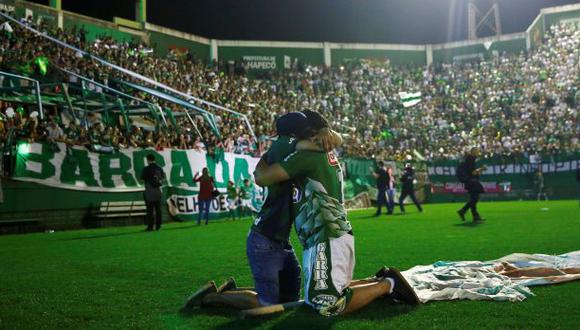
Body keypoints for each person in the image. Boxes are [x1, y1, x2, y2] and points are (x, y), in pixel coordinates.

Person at [253, 111, 419, 316]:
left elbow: (263, 177)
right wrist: (326, 132)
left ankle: (388, 284)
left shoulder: (306, 156)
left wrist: (264, 159)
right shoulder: (318, 150)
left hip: (325, 237)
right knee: (319, 295)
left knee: (325, 304)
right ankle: (375, 282)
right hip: (329, 236)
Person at [183, 112, 308, 310]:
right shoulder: (288, 143)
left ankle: (231, 291)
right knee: (267, 303)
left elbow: (259, 172)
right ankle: (210, 298)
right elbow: (307, 148)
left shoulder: (280, 145)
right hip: (266, 238)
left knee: (289, 297)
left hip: (276, 238)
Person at [457, 147, 486, 222]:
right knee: (475, 199)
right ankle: (463, 210)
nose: (478, 153)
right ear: (473, 152)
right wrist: (481, 169)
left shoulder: (469, 159)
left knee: (474, 198)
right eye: (477, 151)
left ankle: (475, 216)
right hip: (471, 181)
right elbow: (472, 172)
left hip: (469, 181)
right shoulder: (470, 159)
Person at [140, 154, 165, 231]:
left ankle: (150, 226)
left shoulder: (146, 169)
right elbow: (163, 177)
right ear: (154, 159)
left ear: (148, 160)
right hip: (158, 191)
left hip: (149, 191)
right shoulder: (159, 168)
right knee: (158, 210)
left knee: (150, 210)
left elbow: (142, 178)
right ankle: (158, 225)